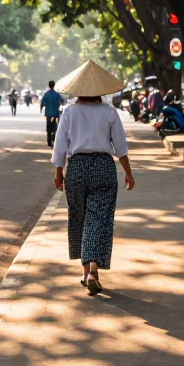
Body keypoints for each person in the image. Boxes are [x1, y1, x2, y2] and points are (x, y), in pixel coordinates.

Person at [51, 60, 135, 295]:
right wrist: (128, 172)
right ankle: (93, 271)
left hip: (76, 168)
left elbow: (60, 147)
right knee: (99, 218)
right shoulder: (109, 112)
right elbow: (120, 146)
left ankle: (85, 270)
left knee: (78, 216)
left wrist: (59, 172)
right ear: (100, 90)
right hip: (103, 167)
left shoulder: (69, 112)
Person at [40, 80, 63, 147]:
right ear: (54, 85)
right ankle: (55, 137)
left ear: (49, 85)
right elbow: (61, 102)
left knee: (48, 127)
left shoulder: (46, 94)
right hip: (56, 114)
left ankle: (49, 141)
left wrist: (41, 108)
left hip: (48, 114)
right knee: (56, 126)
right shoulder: (57, 94)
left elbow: (43, 103)